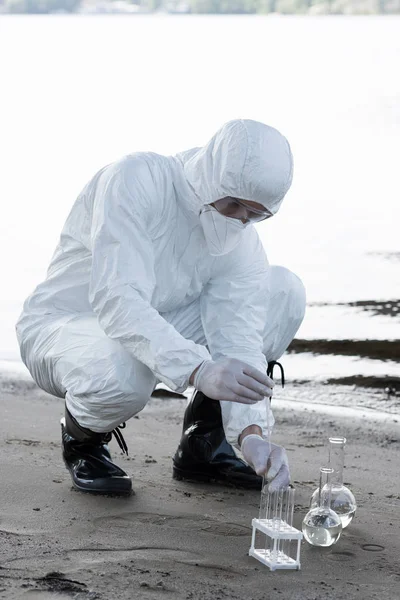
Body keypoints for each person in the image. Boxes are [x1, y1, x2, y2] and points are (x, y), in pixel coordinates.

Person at [16, 119, 306, 497]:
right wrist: (197, 368)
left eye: (253, 214)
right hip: (66, 326)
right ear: (212, 176)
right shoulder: (136, 180)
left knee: (283, 290)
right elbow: (117, 300)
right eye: (233, 203)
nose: (239, 220)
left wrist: (252, 434)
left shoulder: (242, 242)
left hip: (155, 321)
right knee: (124, 370)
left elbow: (238, 338)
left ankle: (203, 444)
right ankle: (83, 440)